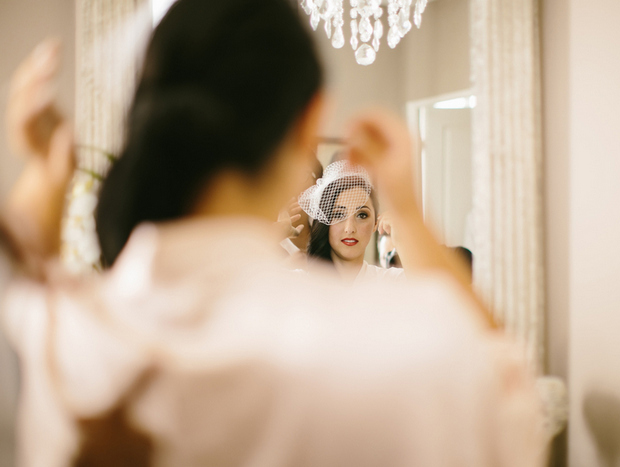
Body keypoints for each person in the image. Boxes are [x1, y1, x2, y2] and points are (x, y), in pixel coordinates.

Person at [1, 0, 544, 466]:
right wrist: (407, 205)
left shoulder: (50, 334)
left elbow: (22, 262)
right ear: (310, 123)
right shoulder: (396, 355)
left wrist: (47, 177)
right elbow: (510, 407)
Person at [303, 160, 404, 283]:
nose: (350, 228)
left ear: (375, 223)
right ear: (324, 220)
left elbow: (427, 286)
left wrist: (402, 239)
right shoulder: (298, 282)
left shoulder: (391, 281)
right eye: (339, 215)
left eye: (361, 215)